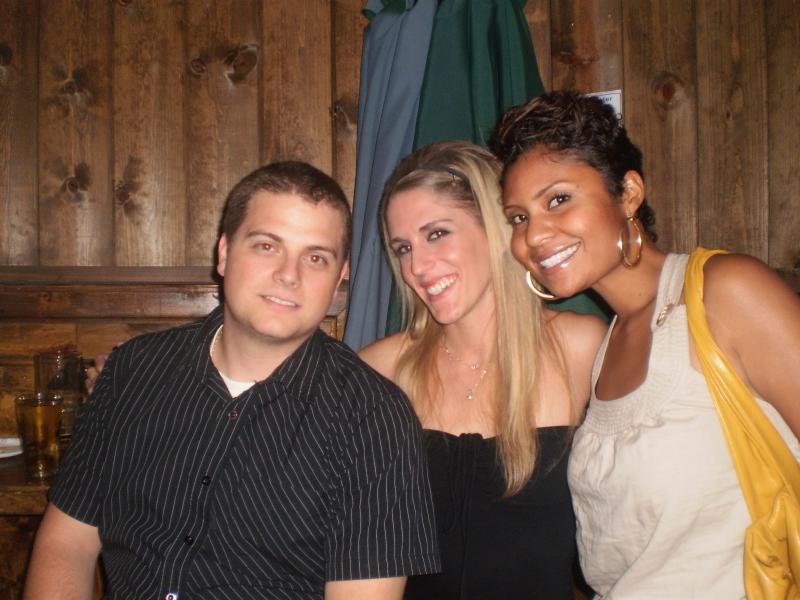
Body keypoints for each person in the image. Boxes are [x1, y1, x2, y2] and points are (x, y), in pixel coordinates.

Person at [25, 162, 440, 599]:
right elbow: (66, 544)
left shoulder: (374, 419)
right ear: (224, 253)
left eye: (316, 257)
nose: (289, 274)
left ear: (340, 278)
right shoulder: (132, 371)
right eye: (267, 246)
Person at [492, 90, 800, 598]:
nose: (534, 235)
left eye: (558, 200)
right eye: (519, 217)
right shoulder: (608, 345)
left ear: (629, 194)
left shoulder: (725, 292)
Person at [358, 141, 606, 598]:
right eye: (403, 248)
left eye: (437, 234)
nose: (417, 267)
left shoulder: (581, 349)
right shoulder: (378, 370)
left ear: (493, 229)